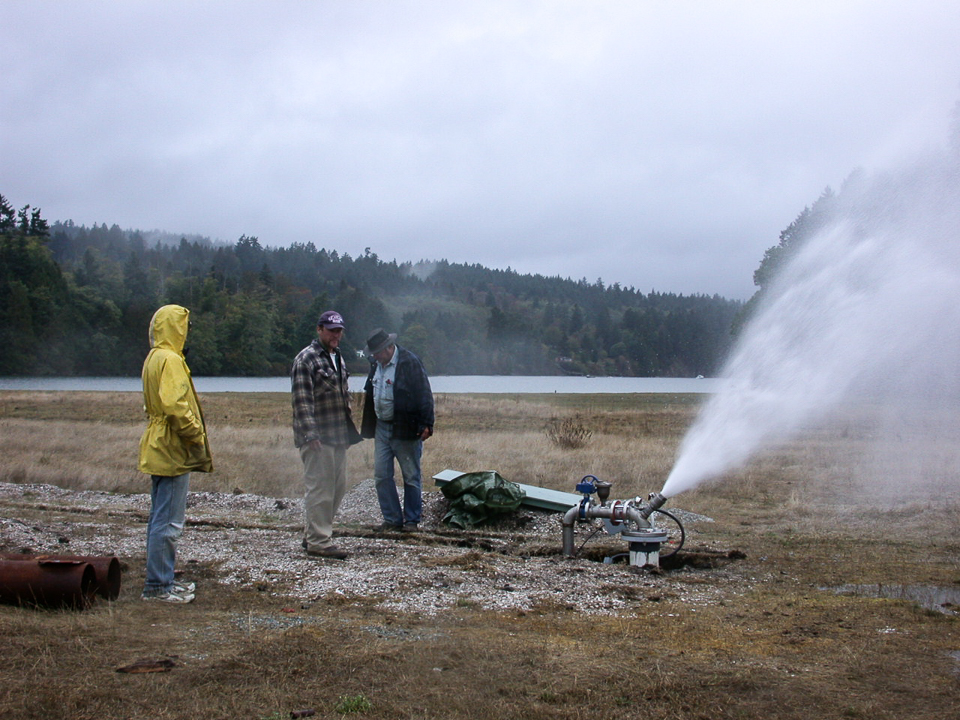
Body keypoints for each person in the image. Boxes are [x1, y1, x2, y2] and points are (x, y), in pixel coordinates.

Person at [138, 304, 212, 603]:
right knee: (168, 522)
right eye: (185, 326)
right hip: (170, 448)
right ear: (174, 327)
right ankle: (157, 587)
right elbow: (174, 405)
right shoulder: (170, 359)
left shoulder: (154, 357)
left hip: (159, 444)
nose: (188, 331)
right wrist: (195, 433)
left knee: (160, 517)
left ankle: (163, 579)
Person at [291, 310, 361, 560]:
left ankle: (313, 534)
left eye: (339, 330)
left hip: (338, 434)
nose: (336, 335)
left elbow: (343, 395)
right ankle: (319, 542)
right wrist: (311, 435)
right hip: (317, 437)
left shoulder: (337, 357)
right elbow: (302, 402)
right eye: (331, 330)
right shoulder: (306, 359)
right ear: (319, 329)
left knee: (338, 488)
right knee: (320, 489)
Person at [361, 328, 434, 532]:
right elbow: (370, 393)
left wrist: (427, 424)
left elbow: (424, 393)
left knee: (411, 476)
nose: (374, 356)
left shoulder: (410, 362)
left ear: (389, 347)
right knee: (381, 475)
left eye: (377, 352)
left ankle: (411, 521)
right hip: (382, 427)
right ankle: (392, 519)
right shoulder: (375, 365)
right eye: (373, 352)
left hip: (406, 428)